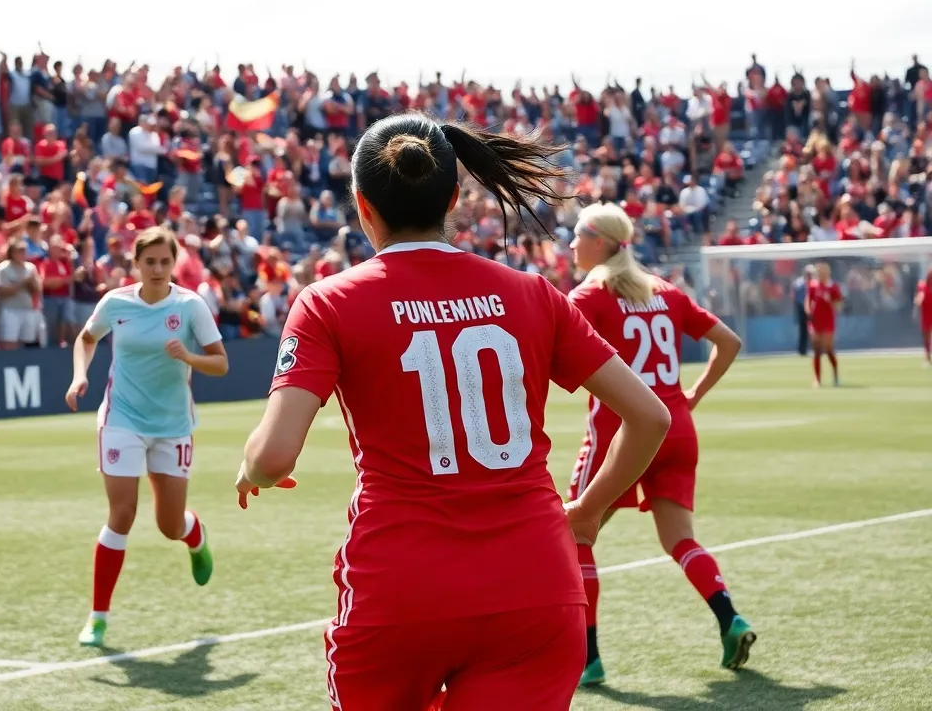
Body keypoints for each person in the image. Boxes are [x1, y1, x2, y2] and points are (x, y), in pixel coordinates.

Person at [236, 115, 671, 711]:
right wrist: (589, 512)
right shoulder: (532, 292)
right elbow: (650, 417)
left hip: (400, 592)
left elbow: (273, 456)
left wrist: (253, 469)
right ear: (451, 199)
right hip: (536, 586)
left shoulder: (328, 301)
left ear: (363, 207)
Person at [566, 202, 754, 686]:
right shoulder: (666, 291)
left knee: (575, 535)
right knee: (681, 541)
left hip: (621, 433)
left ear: (599, 241)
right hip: (676, 427)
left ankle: (588, 658)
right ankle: (730, 618)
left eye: (576, 235)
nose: (570, 245)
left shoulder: (590, 295)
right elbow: (728, 341)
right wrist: (693, 394)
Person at [64, 227, 231, 649]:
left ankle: (195, 536)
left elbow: (220, 364)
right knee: (121, 515)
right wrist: (80, 375)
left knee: (168, 525)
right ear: (135, 264)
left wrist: (189, 356)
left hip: (172, 425)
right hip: (121, 419)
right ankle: (98, 618)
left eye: (164, 261)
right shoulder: (116, 303)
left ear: (173, 264)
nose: (157, 269)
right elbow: (86, 339)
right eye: (149, 261)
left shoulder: (191, 306)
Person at [805, 262, 843, 387]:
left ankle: (835, 374)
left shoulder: (833, 287)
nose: (819, 274)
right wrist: (808, 311)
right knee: (816, 350)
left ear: (827, 272)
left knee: (828, 349)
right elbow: (808, 300)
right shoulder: (813, 285)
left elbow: (839, 305)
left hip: (828, 322)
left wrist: (830, 301)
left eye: (822, 272)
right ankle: (817, 379)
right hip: (815, 322)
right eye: (818, 272)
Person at [915, 269, 932, 365]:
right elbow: (920, 296)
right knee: (926, 338)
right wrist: (918, 301)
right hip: (926, 313)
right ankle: (928, 358)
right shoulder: (923, 286)